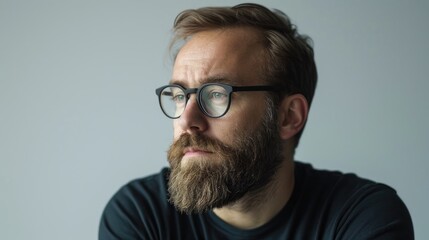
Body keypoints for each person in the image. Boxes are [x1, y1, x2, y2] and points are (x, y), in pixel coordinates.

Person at [99, 3, 414, 239]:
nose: (187, 120)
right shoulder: (141, 213)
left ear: (288, 116)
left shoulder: (361, 216)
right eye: (180, 95)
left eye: (217, 94)